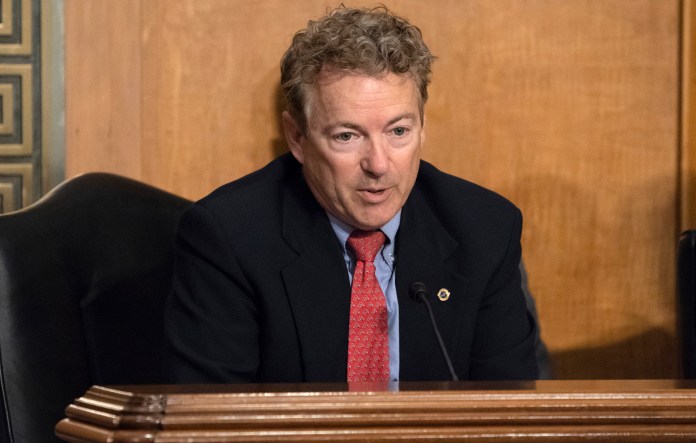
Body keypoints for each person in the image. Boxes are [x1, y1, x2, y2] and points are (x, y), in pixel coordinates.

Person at [165, 5, 538, 383]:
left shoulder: (484, 230)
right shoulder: (231, 238)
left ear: (422, 127)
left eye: (398, 132)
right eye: (347, 136)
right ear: (297, 137)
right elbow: (213, 420)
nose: (378, 164)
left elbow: (509, 409)